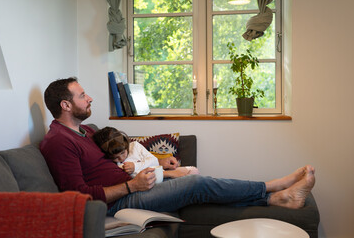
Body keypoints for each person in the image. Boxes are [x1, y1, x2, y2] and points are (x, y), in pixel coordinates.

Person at [40, 77, 315, 216]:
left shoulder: (86, 130)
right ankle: (272, 186)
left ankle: (276, 199)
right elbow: (79, 196)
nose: (89, 98)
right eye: (82, 95)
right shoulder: (58, 142)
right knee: (197, 185)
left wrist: (159, 162)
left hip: (135, 183)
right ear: (65, 105)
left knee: (198, 185)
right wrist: (129, 187)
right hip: (118, 202)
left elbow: (120, 155)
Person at [92, 126, 200, 179]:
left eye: (123, 153)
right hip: (152, 180)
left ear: (126, 145)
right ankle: (169, 175)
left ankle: (169, 174)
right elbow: (133, 177)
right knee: (192, 178)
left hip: (157, 171)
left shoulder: (135, 146)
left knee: (193, 170)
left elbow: (153, 161)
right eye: (115, 157)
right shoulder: (117, 166)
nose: (120, 158)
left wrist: (135, 165)